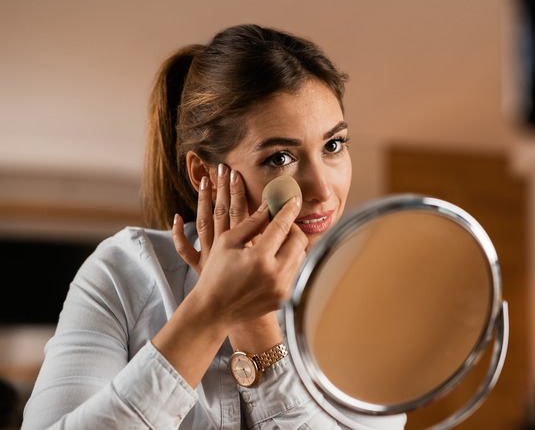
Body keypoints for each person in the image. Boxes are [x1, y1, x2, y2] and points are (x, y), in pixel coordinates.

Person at [22, 24, 406, 429]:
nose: (323, 190)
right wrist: (211, 310)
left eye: (333, 145)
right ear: (204, 173)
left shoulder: (372, 300)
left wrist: (254, 327)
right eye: (279, 158)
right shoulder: (123, 272)